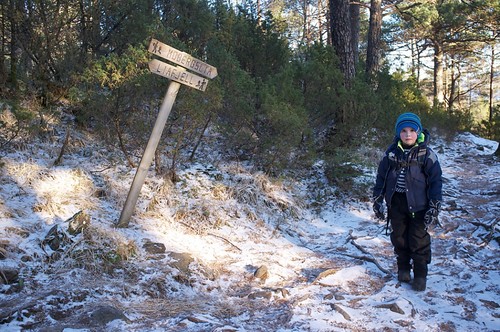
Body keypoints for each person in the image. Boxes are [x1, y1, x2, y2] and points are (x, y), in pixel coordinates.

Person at [373, 112, 443, 291]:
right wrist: (378, 198)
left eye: (412, 130)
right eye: (403, 131)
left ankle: (420, 274)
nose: (408, 134)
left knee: (418, 239)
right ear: (398, 133)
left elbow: (436, 181)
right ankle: (403, 268)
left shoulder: (427, 154)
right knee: (399, 236)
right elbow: (381, 177)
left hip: (419, 205)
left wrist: (434, 204)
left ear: (418, 132)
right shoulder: (391, 153)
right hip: (396, 203)